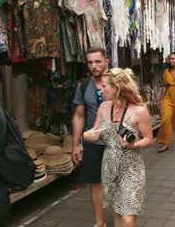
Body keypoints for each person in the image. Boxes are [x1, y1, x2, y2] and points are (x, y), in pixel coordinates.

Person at [83, 68, 153, 227]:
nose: (102, 89)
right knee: (117, 212)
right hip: (109, 165)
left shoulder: (139, 111)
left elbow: (149, 139)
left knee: (128, 217)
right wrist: (86, 136)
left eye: (105, 86)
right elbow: (96, 132)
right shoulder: (103, 107)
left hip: (131, 168)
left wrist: (133, 144)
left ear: (117, 87)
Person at [72, 47, 110, 227]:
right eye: (90, 62)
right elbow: (79, 116)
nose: (94, 66)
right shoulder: (84, 86)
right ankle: (99, 222)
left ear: (106, 62)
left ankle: (122, 220)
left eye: (98, 61)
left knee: (118, 182)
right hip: (93, 144)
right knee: (96, 183)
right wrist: (76, 145)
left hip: (116, 143)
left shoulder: (117, 82)